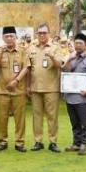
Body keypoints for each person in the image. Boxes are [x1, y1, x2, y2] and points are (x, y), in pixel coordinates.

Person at [26, 23, 62, 153]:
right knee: (37, 116)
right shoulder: (31, 47)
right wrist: (28, 86)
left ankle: (53, 142)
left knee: (52, 116)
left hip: (51, 87)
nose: (42, 35)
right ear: (37, 34)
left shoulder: (55, 47)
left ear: (49, 33)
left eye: (44, 33)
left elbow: (60, 65)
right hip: (35, 87)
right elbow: (28, 68)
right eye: (39, 33)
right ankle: (38, 141)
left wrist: (52, 56)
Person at [0, 26, 29, 152]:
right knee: (3, 117)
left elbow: (26, 67)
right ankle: (3, 141)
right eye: (6, 36)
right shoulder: (0, 50)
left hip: (18, 89)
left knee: (20, 118)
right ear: (3, 38)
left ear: (15, 37)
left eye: (11, 36)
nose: (9, 39)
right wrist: (0, 51)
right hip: (3, 91)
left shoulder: (22, 50)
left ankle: (19, 142)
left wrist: (16, 80)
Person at [62, 33, 86, 155]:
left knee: (85, 121)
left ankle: (84, 144)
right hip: (70, 95)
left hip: (83, 96)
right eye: (76, 43)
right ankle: (76, 143)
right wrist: (69, 60)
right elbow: (65, 72)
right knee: (74, 121)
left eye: (80, 43)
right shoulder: (70, 58)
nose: (78, 46)